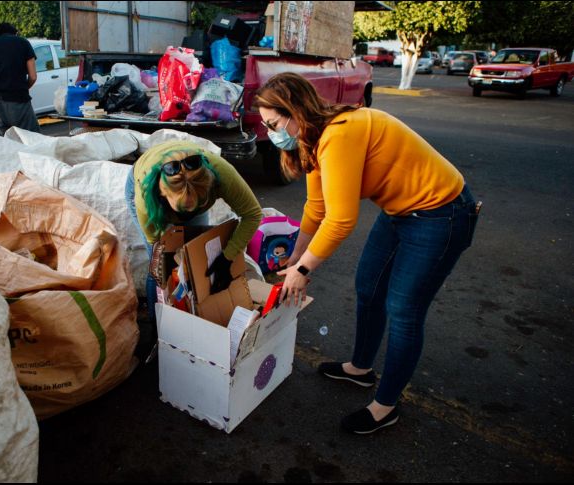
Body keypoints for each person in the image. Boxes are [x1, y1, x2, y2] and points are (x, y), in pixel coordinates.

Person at [254, 72, 480, 435]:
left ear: (294, 110)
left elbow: (341, 220)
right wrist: (297, 254)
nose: (270, 132)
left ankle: (386, 405)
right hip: (401, 211)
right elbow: (317, 207)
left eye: (273, 123)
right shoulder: (312, 137)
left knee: (404, 310)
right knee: (369, 288)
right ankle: (361, 369)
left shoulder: (339, 133)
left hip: (442, 213)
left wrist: (304, 269)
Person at [125, 140, 263, 360]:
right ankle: (157, 330)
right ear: (163, 195)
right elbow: (157, 246)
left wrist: (227, 258)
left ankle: (199, 317)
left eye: (198, 203)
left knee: (197, 257)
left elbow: (253, 214)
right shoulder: (147, 195)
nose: (187, 215)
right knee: (159, 267)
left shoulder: (221, 174)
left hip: (189, 192)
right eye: (183, 208)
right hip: (146, 185)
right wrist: (166, 276)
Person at [0, 22, 40, 135]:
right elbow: (33, 76)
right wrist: (23, 88)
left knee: (7, 143)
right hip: (18, 101)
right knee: (30, 139)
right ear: (15, 33)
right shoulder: (22, 43)